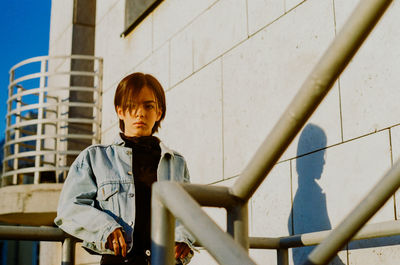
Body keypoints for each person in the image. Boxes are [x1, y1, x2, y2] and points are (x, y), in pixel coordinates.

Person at [55, 73, 195, 265]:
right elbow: (69, 208)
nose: (140, 113)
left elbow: (189, 213)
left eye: (148, 106)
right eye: (132, 105)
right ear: (120, 111)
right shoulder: (96, 157)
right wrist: (105, 228)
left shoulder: (175, 162)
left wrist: (183, 238)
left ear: (159, 112)